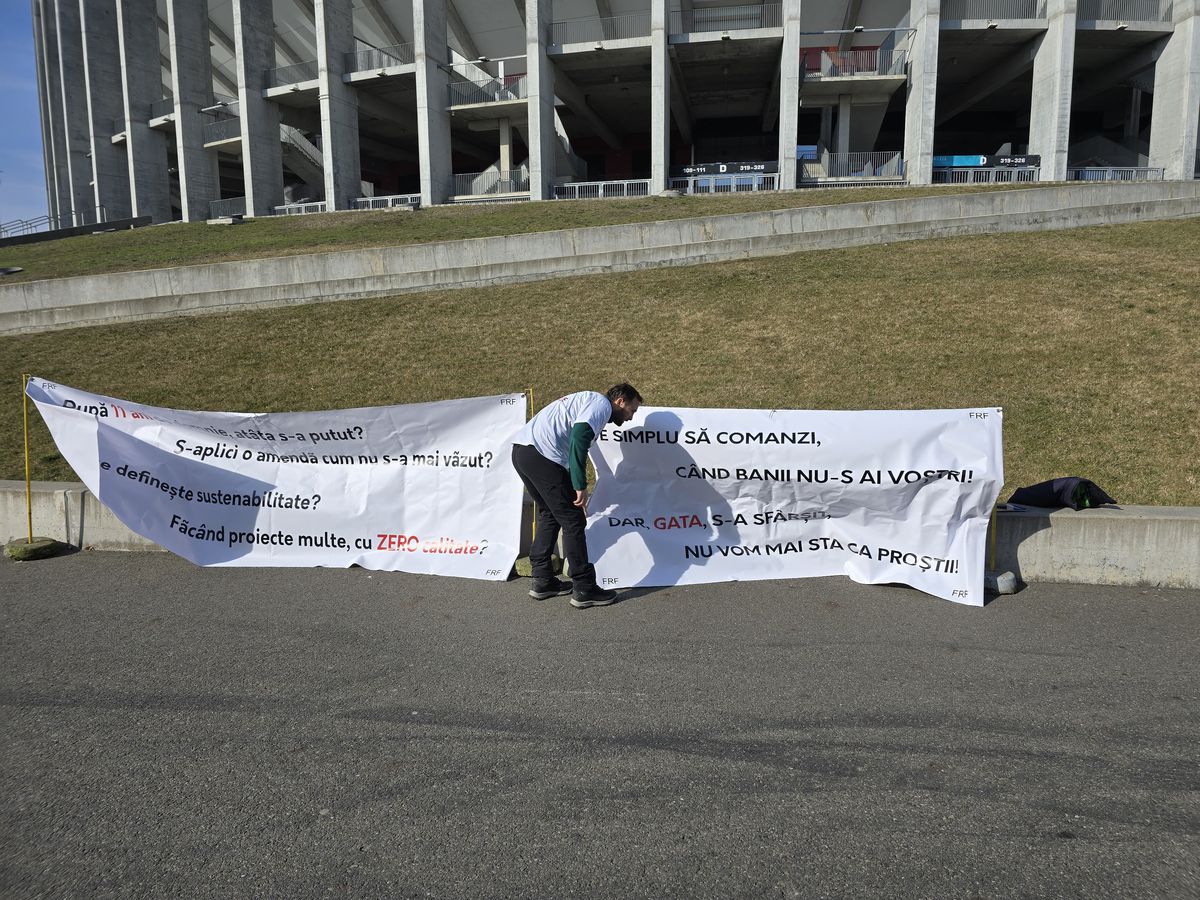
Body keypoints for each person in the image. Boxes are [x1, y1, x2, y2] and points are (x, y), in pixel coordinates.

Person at [511, 384, 642, 608]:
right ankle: (584, 587)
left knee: (550, 513)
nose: (630, 417)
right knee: (573, 520)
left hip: (522, 452)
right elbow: (578, 439)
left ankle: (542, 580)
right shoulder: (601, 405)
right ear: (620, 401)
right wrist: (579, 484)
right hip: (541, 456)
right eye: (632, 410)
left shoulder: (588, 400)